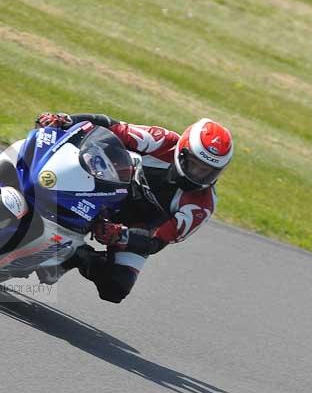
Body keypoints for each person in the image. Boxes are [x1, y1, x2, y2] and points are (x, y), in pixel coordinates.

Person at [34, 112, 234, 303]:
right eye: (194, 164)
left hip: (136, 227)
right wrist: (66, 120)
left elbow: (157, 240)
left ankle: (75, 255)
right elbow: (113, 126)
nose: (198, 174)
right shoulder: (163, 141)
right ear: (182, 151)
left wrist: (122, 234)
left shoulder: (202, 205)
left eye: (207, 171)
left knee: (116, 287)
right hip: (109, 191)